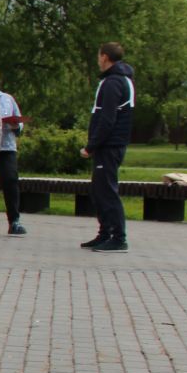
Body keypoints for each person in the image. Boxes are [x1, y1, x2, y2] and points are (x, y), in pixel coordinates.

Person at [83, 43, 134, 253]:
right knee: (98, 190)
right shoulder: (116, 79)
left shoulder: (113, 82)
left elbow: (107, 118)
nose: (98, 60)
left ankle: (118, 237)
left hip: (110, 144)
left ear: (105, 57)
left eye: (98, 56)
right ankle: (104, 233)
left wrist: (91, 145)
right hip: (109, 143)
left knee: (107, 191)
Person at [0, 68, 27, 236]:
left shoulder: (7, 99)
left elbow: (19, 119)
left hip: (6, 147)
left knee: (10, 181)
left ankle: (14, 221)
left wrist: (17, 125)